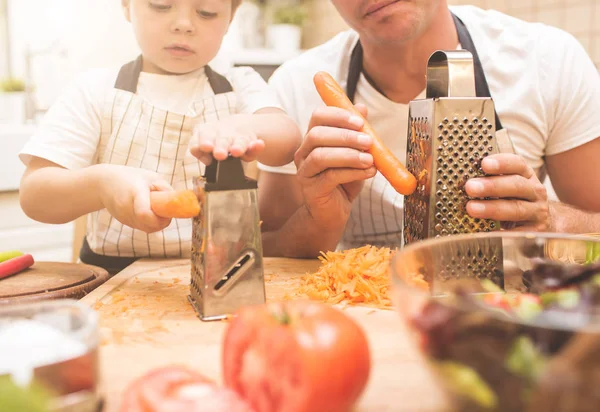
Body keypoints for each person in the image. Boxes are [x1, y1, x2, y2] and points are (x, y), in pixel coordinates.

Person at [258, 0, 600, 258]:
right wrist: (317, 219)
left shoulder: (546, 61)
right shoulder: (294, 87)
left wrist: (553, 224)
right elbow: (265, 255)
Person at [18, 0, 302, 274]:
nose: (183, 24)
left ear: (231, 16)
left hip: (220, 273)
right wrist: (101, 184)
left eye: (206, 12)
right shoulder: (94, 90)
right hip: (111, 275)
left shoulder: (241, 85)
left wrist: (246, 126)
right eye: (161, 6)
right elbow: (35, 195)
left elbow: (287, 140)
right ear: (127, 5)